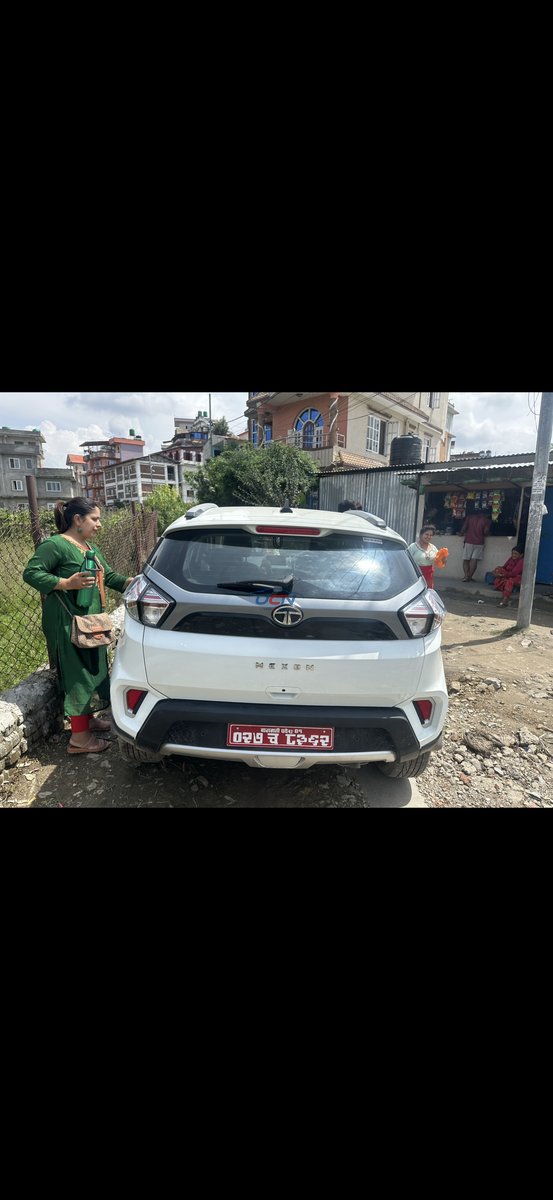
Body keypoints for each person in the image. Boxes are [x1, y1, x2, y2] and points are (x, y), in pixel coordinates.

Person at [22, 498, 135, 755]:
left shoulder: (88, 547)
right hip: (66, 622)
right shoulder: (55, 545)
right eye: (95, 519)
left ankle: (87, 720)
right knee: (78, 674)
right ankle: (80, 739)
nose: (99, 524)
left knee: (94, 670)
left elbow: (111, 576)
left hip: (89, 621)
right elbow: (31, 573)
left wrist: (134, 580)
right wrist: (65, 583)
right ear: (77, 520)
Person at [459, 505, 491, 581]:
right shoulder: (486, 520)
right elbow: (485, 532)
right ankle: (469, 577)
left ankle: (466, 576)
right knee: (474, 560)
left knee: (466, 560)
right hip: (479, 542)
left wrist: (461, 533)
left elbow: (464, 527)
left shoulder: (469, 518)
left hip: (469, 541)